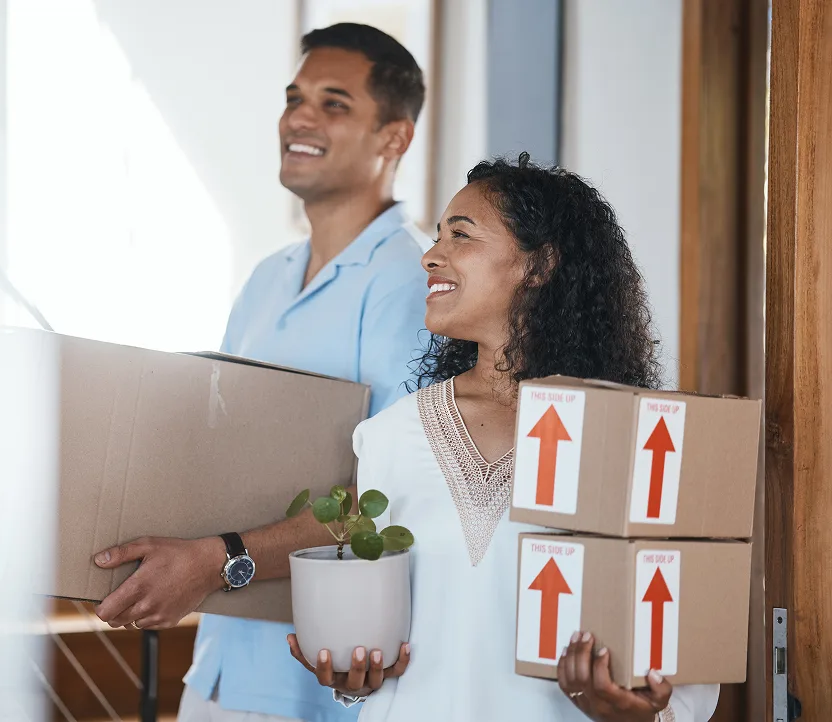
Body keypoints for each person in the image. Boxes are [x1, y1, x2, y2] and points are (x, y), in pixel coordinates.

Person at [286, 155, 721, 721]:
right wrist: (353, 675)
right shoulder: (389, 437)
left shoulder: (639, 442)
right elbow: (382, 639)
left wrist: (646, 714)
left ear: (539, 265)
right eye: (437, 236)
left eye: (461, 235)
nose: (430, 255)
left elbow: (685, 663)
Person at [91, 24, 431, 722]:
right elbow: (220, 453)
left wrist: (219, 559)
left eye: (334, 103)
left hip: (323, 684)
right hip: (220, 665)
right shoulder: (265, 280)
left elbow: (390, 493)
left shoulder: (410, 283)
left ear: (394, 137)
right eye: (294, 98)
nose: (299, 117)